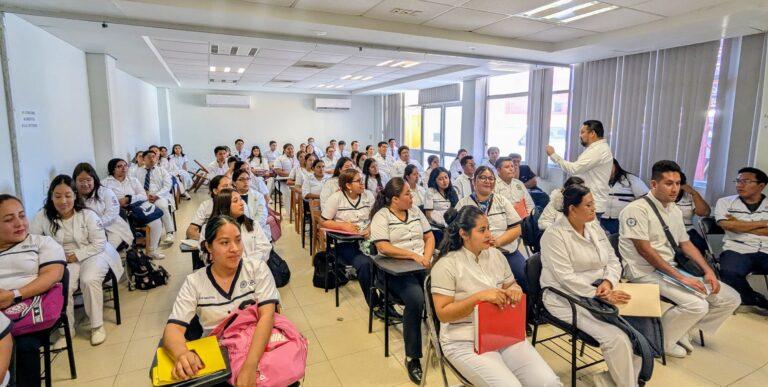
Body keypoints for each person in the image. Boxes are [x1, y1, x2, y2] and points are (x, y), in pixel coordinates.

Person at [619, 160, 740, 358]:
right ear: (654, 184)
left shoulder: (673, 209)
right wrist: (683, 279)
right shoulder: (636, 210)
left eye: (677, 183)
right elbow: (645, 251)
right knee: (697, 304)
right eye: (668, 183)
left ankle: (683, 329)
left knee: (730, 298)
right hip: (644, 272)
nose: (674, 188)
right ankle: (662, 342)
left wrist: (708, 271)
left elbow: (686, 244)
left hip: (672, 268)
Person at [431, 206, 560, 387]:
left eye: (489, 228)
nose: (489, 234)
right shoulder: (446, 265)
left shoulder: (495, 255)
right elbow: (443, 314)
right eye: (482, 230)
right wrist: (479, 298)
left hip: (500, 332)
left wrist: (515, 290)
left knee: (549, 383)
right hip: (463, 339)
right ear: (464, 234)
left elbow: (510, 284)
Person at [541, 185, 640, 386]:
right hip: (565, 296)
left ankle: (612, 380)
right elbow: (565, 278)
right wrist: (597, 293)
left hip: (601, 290)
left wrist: (608, 282)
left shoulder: (593, 226)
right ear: (572, 209)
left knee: (640, 328)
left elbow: (612, 260)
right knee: (616, 338)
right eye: (589, 204)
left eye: (593, 203)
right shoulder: (554, 235)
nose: (595, 208)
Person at [164, 216, 280, 385]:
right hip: (219, 358)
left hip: (257, 347)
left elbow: (267, 316)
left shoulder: (256, 269)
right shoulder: (195, 282)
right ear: (209, 247)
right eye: (225, 243)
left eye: (238, 241)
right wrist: (182, 354)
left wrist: (250, 364)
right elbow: (173, 329)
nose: (235, 249)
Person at [30, 175, 124, 346]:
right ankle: (66, 332)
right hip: (62, 259)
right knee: (63, 286)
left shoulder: (87, 214)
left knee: (89, 279)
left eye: (67, 195)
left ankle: (97, 326)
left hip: (94, 253)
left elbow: (99, 242)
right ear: (51, 197)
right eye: (57, 196)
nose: (63, 201)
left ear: (74, 195)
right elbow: (34, 241)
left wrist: (76, 255)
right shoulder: (42, 216)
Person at [369, 177, 434, 384]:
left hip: (421, 264)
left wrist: (426, 257)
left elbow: (429, 236)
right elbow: (384, 247)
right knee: (415, 299)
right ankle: (412, 357)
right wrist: (413, 256)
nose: (411, 196)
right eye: (407, 194)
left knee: (442, 290)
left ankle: (444, 343)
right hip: (394, 270)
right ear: (395, 199)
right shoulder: (382, 216)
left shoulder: (415, 212)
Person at [0, 194, 65, 387]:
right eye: (9, 220)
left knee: (23, 346)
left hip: (28, 310)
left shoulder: (41, 243)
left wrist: (15, 295)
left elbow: (53, 274)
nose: (19, 223)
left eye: (22, 215)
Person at [455, 166, 525, 291]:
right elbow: (457, 233)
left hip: (506, 251)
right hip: (475, 255)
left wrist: (498, 242)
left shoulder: (502, 201)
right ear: (474, 181)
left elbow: (517, 227)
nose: (488, 181)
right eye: (483, 178)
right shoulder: (463, 204)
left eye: (491, 178)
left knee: (525, 276)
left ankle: (526, 310)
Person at [319, 170, 378, 312]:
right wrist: (343, 225)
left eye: (361, 180)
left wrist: (370, 227)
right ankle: (375, 304)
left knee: (385, 258)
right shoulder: (336, 198)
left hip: (368, 238)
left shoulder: (368, 196)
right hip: (346, 243)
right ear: (348, 185)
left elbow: (377, 216)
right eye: (358, 181)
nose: (362, 183)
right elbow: (323, 221)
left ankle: (387, 295)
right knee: (364, 264)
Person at [715, 167, 768, 311]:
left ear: (761, 186)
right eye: (738, 181)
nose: (739, 184)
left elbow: (734, 226)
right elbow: (727, 225)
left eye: (745, 181)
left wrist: (739, 224)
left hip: (766, 249)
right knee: (729, 272)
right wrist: (763, 223)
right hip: (737, 248)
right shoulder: (725, 202)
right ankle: (756, 299)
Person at [546, 120, 613, 217]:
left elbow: (574, 169)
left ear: (592, 133)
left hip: (591, 203)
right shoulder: (597, 149)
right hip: (588, 202)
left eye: (582, 132)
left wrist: (553, 155)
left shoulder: (598, 150)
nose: (580, 136)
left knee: (586, 232)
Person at [103, 158, 164, 258]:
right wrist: (116, 203)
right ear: (113, 169)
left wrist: (128, 199)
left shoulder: (133, 180)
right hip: (116, 211)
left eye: (125, 165)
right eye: (119, 166)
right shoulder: (105, 183)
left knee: (156, 221)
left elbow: (143, 196)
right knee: (122, 225)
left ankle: (152, 251)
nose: (123, 168)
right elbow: (103, 200)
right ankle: (130, 253)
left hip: (135, 208)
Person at [73, 162, 134, 249]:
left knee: (105, 249)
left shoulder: (105, 192)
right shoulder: (72, 196)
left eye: (88, 180)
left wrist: (94, 226)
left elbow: (112, 213)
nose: (85, 184)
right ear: (75, 181)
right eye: (81, 180)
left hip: (112, 229)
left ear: (94, 179)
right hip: (84, 232)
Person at [200, 189, 271, 263]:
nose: (241, 203)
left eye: (241, 199)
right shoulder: (208, 228)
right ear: (224, 205)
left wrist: (245, 264)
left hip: (253, 269)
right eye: (235, 201)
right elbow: (205, 255)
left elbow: (264, 247)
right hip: (224, 271)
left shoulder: (252, 224)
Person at [135, 149, 176, 244]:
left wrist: (157, 195)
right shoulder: (138, 172)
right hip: (143, 197)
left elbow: (167, 185)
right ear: (143, 159)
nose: (152, 159)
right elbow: (134, 186)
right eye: (149, 157)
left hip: (160, 196)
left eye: (153, 157)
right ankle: (146, 233)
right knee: (139, 209)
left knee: (162, 206)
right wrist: (143, 196)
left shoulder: (162, 171)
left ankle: (169, 233)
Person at [602, 159, 649, 234]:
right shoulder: (599, 180)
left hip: (623, 219)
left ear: (615, 166)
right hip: (603, 218)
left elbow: (645, 198)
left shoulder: (630, 179)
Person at [186, 175, 233, 240]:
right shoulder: (206, 205)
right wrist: (209, 241)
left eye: (231, 185)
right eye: (225, 186)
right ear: (215, 191)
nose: (230, 188)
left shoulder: (239, 203)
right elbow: (190, 231)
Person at [676, 173, 711, 255]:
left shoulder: (689, 195)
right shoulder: (660, 195)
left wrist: (694, 193)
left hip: (687, 230)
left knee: (700, 248)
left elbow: (705, 213)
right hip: (665, 230)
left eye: (678, 183)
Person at [233, 169, 270, 242]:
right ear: (234, 183)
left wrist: (252, 229)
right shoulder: (231, 198)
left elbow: (262, 215)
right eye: (241, 179)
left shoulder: (258, 195)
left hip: (258, 231)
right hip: (238, 233)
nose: (245, 182)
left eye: (248, 179)